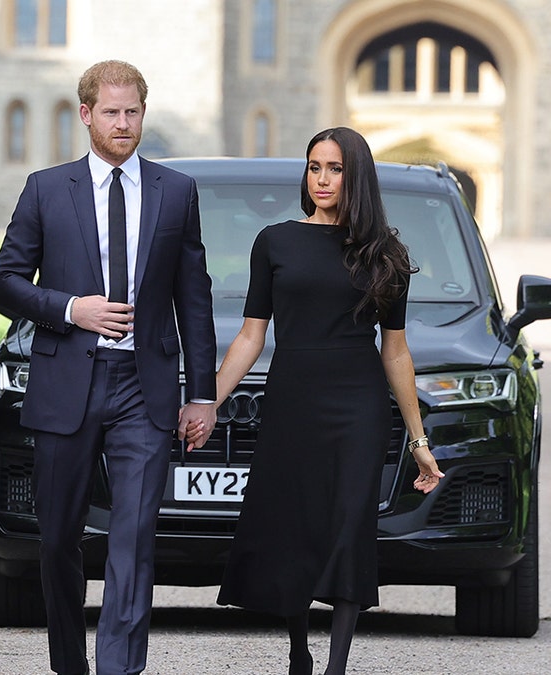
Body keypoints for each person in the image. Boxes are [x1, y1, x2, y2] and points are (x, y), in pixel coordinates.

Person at [0, 60, 217, 675]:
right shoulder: (45, 188)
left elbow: (194, 298)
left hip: (144, 391)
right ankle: (70, 662)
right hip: (67, 382)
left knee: (134, 537)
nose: (123, 123)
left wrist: (201, 394)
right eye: (111, 112)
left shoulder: (176, 191)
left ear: (145, 113)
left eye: (133, 112)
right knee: (59, 537)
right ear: (85, 114)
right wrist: (70, 308)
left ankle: (120, 666)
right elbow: (7, 280)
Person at [194, 127, 444, 675]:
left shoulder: (387, 254)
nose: (322, 179)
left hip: (357, 406)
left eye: (335, 169)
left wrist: (419, 441)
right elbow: (250, 337)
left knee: (351, 523)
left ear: (356, 178)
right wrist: (206, 401)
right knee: (296, 523)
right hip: (292, 400)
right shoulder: (276, 241)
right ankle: (299, 650)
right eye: (314, 167)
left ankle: (336, 665)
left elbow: (396, 353)